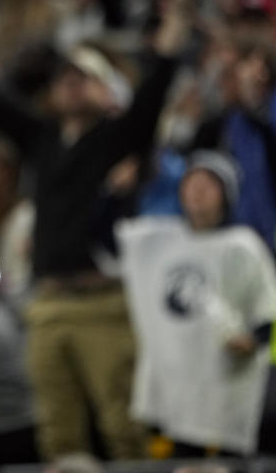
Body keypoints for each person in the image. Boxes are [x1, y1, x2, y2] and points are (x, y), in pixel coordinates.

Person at [0, 0, 203, 460]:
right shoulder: (43, 138)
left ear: (109, 90)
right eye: (66, 76)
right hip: (47, 307)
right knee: (57, 437)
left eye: (84, 76)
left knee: (123, 431)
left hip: (103, 302)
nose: (71, 83)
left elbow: (159, 74)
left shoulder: (120, 137)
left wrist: (182, 8)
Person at [118, 151, 276, 456]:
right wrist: (118, 192)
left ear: (225, 195)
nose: (198, 191)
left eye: (209, 184)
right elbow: (109, 239)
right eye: (192, 183)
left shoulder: (242, 244)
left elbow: (268, 306)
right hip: (174, 381)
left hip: (224, 379)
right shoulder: (159, 239)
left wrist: (253, 339)